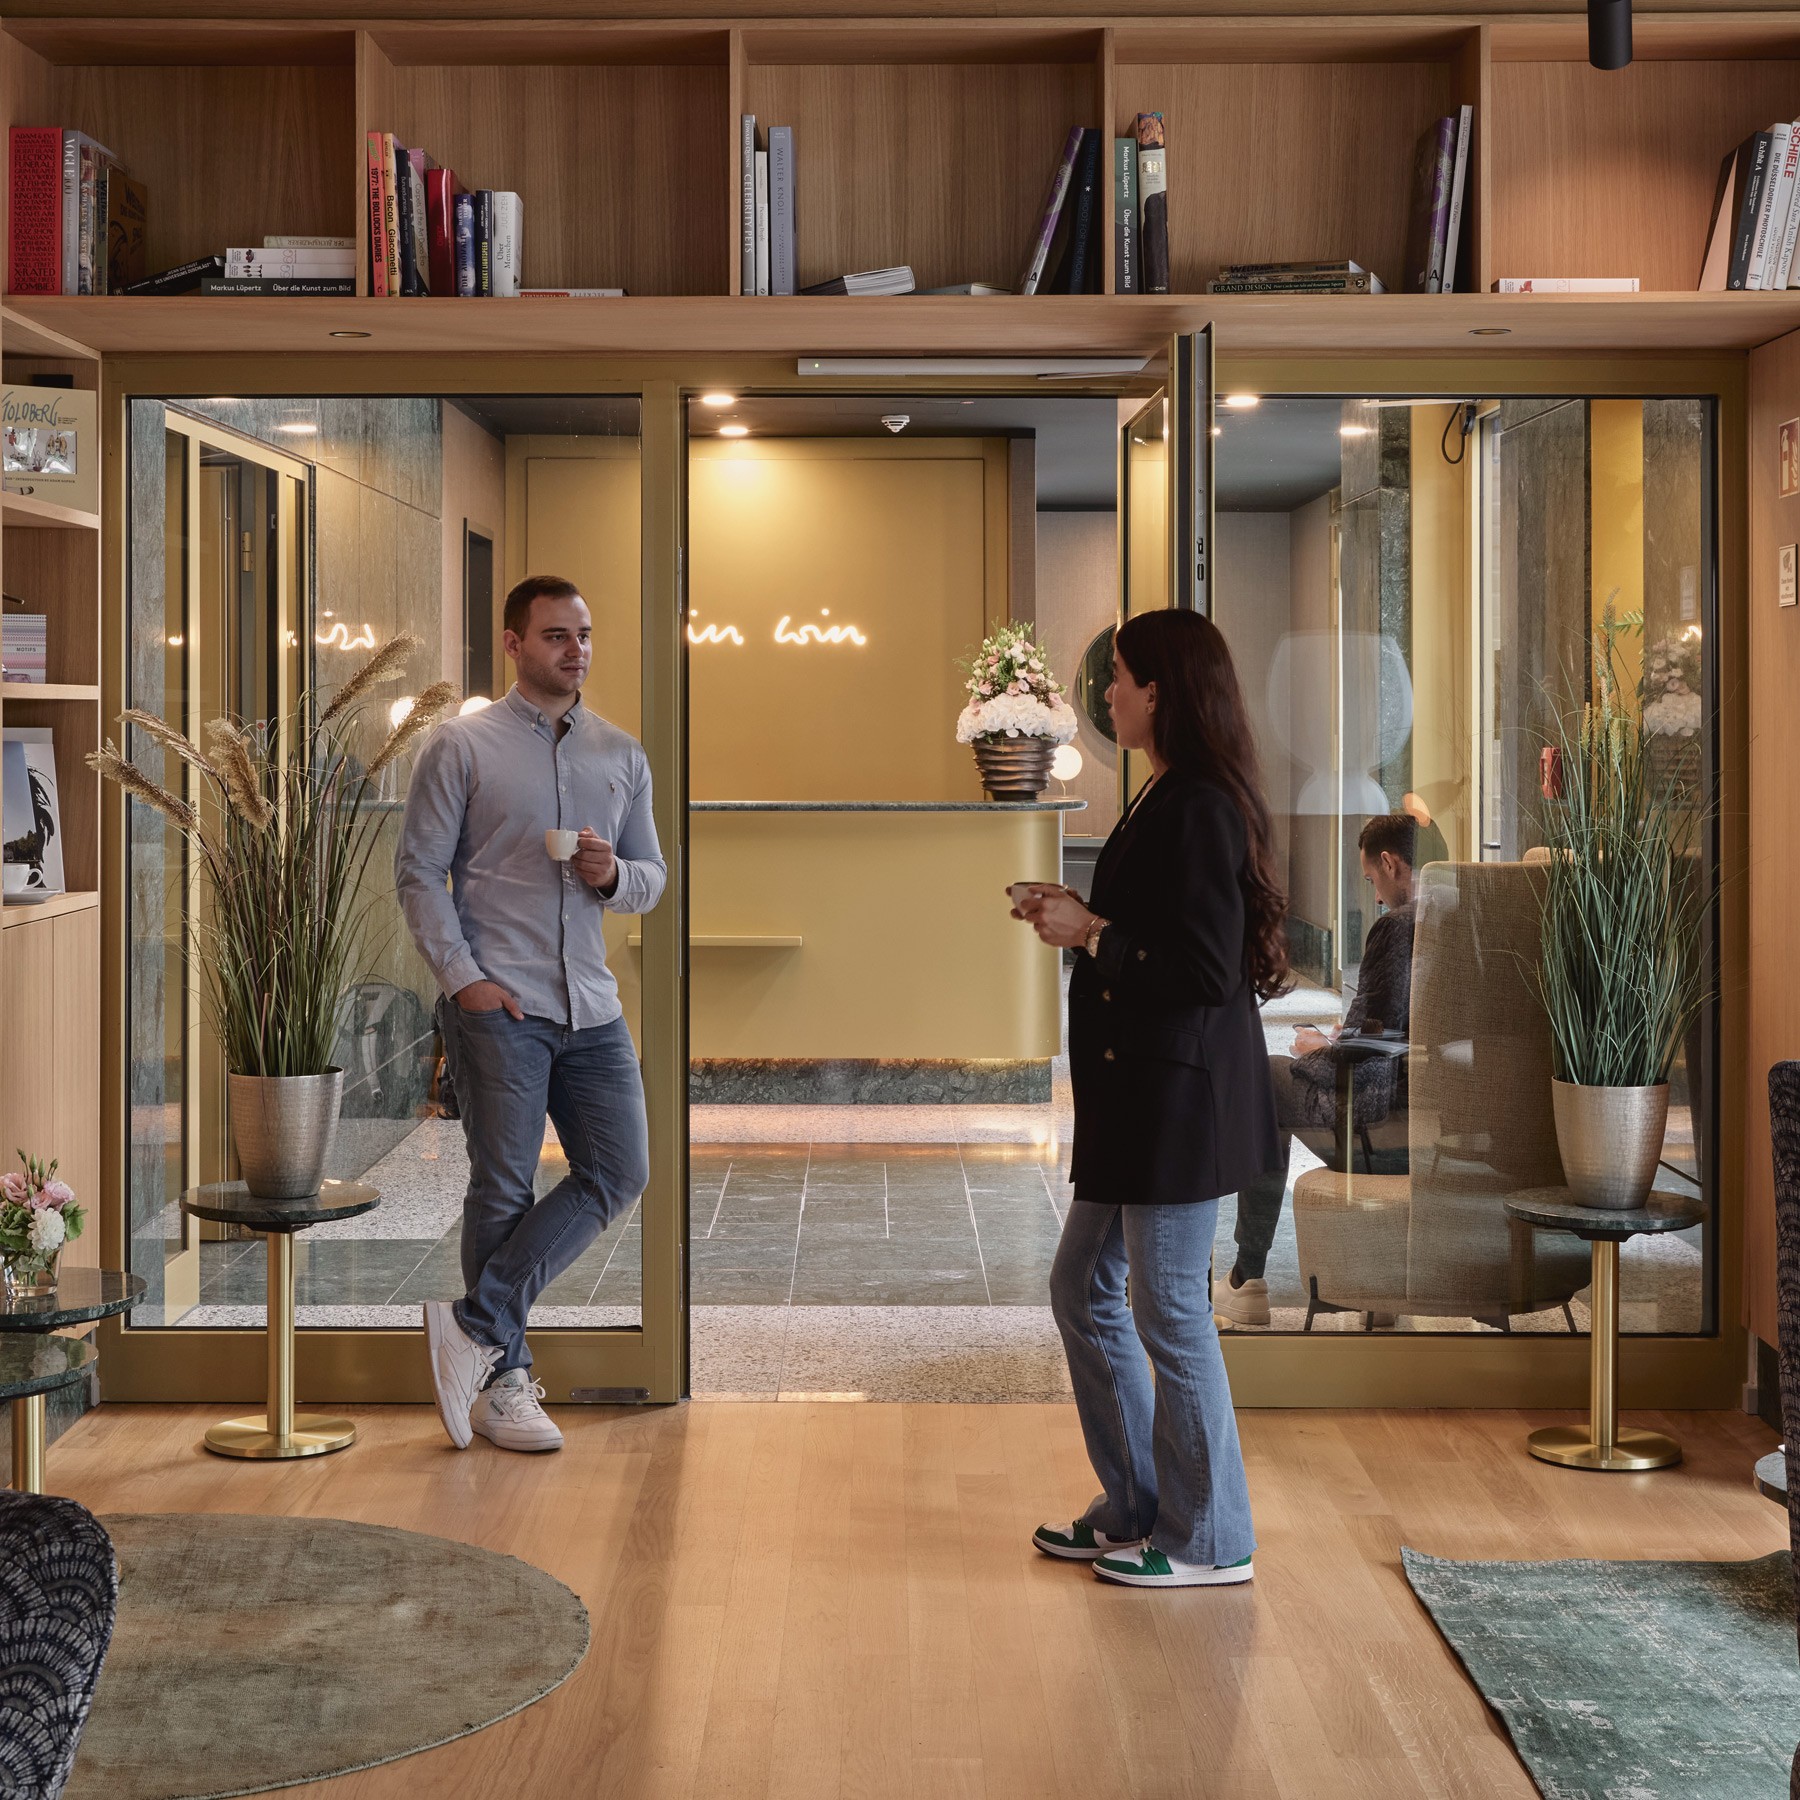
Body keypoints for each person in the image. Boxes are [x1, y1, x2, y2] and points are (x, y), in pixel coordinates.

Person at [1013, 609, 1288, 1589]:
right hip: (1137, 1106)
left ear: (1164, 690)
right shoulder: (1166, 793)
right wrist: (1077, 915)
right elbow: (1153, 926)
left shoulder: (1202, 802)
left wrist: (1092, 935)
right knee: (1081, 1286)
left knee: (1167, 1307)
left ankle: (1210, 1535)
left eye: (1122, 678)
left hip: (1175, 1106)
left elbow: (1206, 969)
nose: (1110, 694)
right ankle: (1136, 1505)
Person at [396, 574, 666, 1453]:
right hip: (498, 1005)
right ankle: (506, 1380)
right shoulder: (462, 748)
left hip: (591, 1005)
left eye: (583, 634)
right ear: (513, 644)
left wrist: (611, 877)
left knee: (619, 1170)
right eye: (555, 636)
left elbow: (650, 881)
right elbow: (418, 874)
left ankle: (474, 1326)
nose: (575, 651)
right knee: (504, 1188)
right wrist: (464, 980)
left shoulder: (622, 756)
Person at [1215, 812, 1420, 1328]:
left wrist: (1319, 1054)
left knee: (1266, 1076)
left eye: (1372, 878)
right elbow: (1395, 1030)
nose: (1374, 893)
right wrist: (1338, 1038)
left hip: (1379, 1109)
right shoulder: (1461, 918)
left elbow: (1371, 1044)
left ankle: (1248, 1278)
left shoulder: (1398, 927)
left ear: (1390, 863)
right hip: (1432, 1102)